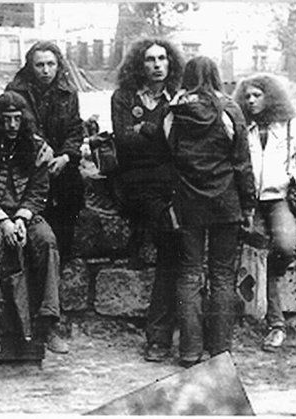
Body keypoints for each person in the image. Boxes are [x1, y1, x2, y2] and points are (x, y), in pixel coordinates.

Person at [164, 56, 256, 367]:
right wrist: (248, 205)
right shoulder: (230, 109)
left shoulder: (174, 112)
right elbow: (242, 163)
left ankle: (190, 351)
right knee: (222, 274)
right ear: (216, 75)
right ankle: (220, 351)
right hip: (225, 201)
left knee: (189, 273)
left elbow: (170, 158)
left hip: (188, 202)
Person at [0, 91, 68, 357]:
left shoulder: (38, 148)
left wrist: (21, 218)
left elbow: (38, 190)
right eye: (6, 119)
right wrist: (4, 222)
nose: (12, 125)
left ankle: (49, 322)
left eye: (17, 119)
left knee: (46, 240)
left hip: (26, 215)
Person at [111, 38, 184, 362]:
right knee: (170, 243)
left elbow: (179, 146)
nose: (156, 65)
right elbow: (124, 143)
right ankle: (158, 337)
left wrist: (143, 129)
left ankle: (177, 331)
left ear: (171, 63)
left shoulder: (178, 97)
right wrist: (158, 132)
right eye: (149, 60)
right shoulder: (124, 97)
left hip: (172, 184)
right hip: (136, 184)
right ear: (138, 65)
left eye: (162, 58)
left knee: (180, 250)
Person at [233, 74, 296, 351]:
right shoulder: (243, 125)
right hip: (251, 201)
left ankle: (270, 286)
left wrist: (293, 177)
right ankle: (276, 325)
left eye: (257, 95)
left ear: (271, 97)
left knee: (284, 247)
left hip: (279, 198)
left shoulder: (290, 123)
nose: (251, 100)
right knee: (253, 253)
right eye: (247, 96)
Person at [5, 41, 84, 265]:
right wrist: (40, 149)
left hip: (59, 160)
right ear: (30, 66)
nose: (46, 70)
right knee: (36, 202)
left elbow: (75, 129)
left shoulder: (68, 92)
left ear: (59, 65)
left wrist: (65, 157)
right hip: (26, 159)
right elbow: (14, 128)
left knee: (72, 190)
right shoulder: (15, 92)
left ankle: (63, 258)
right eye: (39, 65)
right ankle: (32, 259)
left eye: (51, 64)